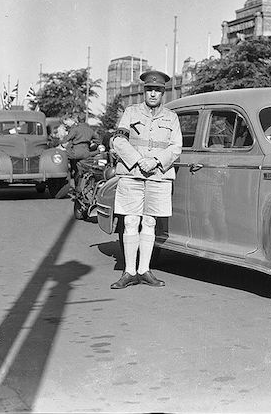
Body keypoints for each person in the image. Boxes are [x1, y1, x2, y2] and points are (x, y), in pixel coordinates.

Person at [110, 70, 182, 290]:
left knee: (150, 222)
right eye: (149, 90)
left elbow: (176, 147)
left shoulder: (172, 117)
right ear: (144, 91)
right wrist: (138, 160)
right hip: (132, 174)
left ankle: (144, 270)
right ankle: (129, 271)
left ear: (163, 93)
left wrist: (156, 161)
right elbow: (118, 140)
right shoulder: (131, 113)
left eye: (157, 90)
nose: (153, 94)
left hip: (158, 176)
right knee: (131, 221)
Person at [61, 116, 102, 186]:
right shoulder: (90, 130)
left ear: (78, 120)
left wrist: (62, 144)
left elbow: (66, 139)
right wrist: (91, 143)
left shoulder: (75, 129)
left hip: (75, 153)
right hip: (86, 153)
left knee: (62, 155)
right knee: (83, 170)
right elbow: (98, 140)